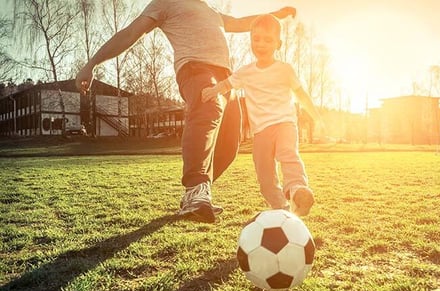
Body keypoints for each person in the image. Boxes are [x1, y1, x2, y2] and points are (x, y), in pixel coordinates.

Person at [75, 1, 297, 223]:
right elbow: (131, 32)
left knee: (230, 143)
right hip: (195, 70)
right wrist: (92, 63)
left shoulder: (211, 12)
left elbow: (242, 23)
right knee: (207, 108)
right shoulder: (165, 3)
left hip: (225, 79)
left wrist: (275, 15)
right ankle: (195, 188)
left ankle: (200, 191)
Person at [202, 14, 321, 216]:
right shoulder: (246, 72)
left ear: (278, 44)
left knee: (288, 155)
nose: (261, 44)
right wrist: (213, 90)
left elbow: (301, 94)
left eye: (267, 40)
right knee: (265, 176)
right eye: (256, 39)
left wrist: (316, 116)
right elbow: (228, 84)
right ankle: (281, 208)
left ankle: (298, 189)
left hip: (285, 124)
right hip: (261, 132)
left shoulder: (285, 70)